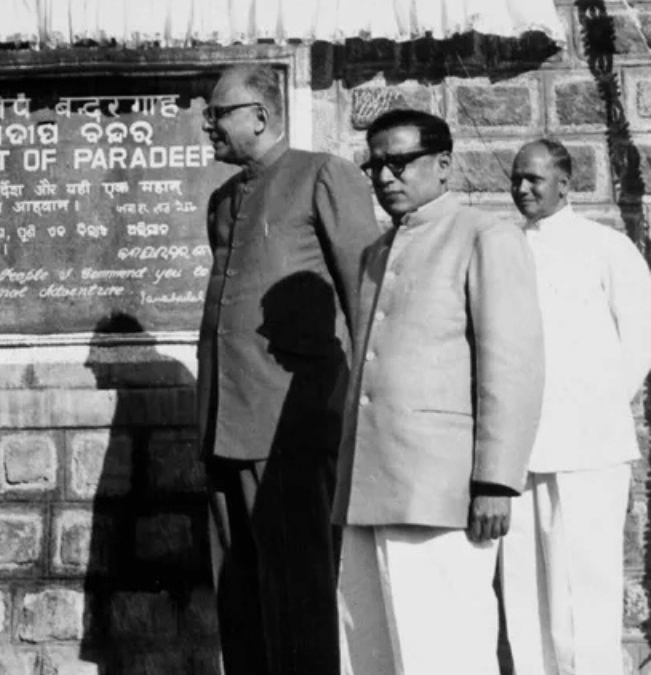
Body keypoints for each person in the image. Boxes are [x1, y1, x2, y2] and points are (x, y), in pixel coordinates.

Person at [334, 108, 544, 675]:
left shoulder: (485, 236)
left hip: (442, 492)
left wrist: (496, 482)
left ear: (444, 164)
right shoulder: (376, 254)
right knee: (370, 654)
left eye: (400, 162)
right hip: (367, 487)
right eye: (374, 165)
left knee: (444, 651)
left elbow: (512, 366)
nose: (385, 177)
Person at [197, 64, 380, 675]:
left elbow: (364, 299)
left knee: (299, 592)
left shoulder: (323, 175)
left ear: (261, 116)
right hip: (225, 424)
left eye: (218, 113)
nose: (207, 124)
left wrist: (356, 414)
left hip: (293, 427)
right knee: (240, 595)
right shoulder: (223, 200)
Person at [500, 139, 651, 675]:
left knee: (587, 588)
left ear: (566, 183)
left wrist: (592, 411)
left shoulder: (606, 248)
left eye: (534, 180)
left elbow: (638, 343)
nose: (522, 189)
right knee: (524, 588)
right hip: (518, 450)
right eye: (516, 179)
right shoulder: (504, 247)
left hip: (588, 447)